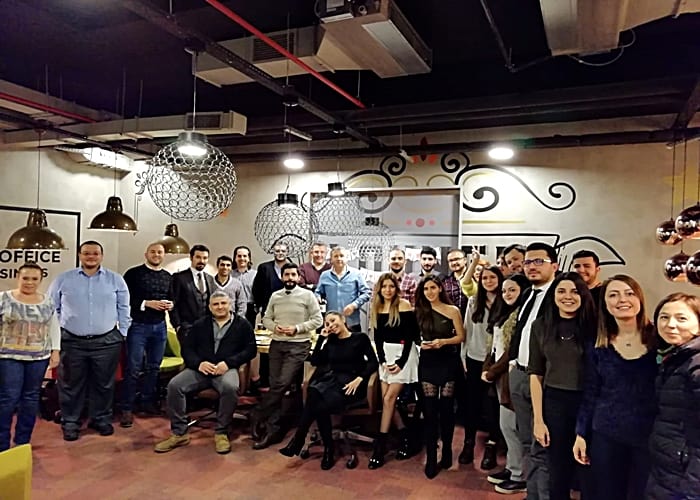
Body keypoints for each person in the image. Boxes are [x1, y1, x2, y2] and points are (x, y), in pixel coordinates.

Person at [573, 275, 657, 500]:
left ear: (639, 299)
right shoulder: (598, 345)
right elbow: (591, 392)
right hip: (607, 435)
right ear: (605, 304)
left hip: (649, 437)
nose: (622, 300)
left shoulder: (659, 340)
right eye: (613, 295)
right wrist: (581, 434)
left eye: (629, 293)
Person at [155, 291, 256, 455]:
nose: (220, 307)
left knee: (230, 387)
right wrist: (199, 363)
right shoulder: (200, 324)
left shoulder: (242, 325)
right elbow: (187, 349)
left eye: (223, 303)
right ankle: (179, 433)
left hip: (225, 369)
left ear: (230, 305)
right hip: (201, 369)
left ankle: (222, 432)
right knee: (174, 385)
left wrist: (228, 363)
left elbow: (250, 350)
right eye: (216, 304)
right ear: (210, 307)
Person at [48, 241, 131, 441]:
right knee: (70, 385)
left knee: (104, 384)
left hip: (106, 341)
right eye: (86, 253)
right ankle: (70, 422)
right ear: (79, 255)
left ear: (101, 256)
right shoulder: (63, 279)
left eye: (95, 253)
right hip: (71, 341)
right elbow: (52, 308)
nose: (91, 257)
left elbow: (124, 307)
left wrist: (122, 332)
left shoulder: (115, 280)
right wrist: (58, 332)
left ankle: (100, 419)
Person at [279, 311, 378, 470]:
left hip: (351, 384)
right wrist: (321, 338)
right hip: (332, 382)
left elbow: (373, 362)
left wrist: (360, 378)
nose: (330, 325)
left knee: (317, 401)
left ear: (343, 319)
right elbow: (315, 361)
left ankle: (306, 442)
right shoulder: (331, 341)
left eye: (333, 320)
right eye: (327, 323)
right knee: (314, 394)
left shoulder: (360, 338)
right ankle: (325, 447)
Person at [529, 272, 596, 500]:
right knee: (558, 471)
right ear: (553, 295)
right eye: (561, 291)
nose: (568, 297)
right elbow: (536, 374)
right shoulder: (540, 326)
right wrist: (539, 420)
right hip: (554, 403)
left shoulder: (595, 326)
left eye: (575, 291)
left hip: (589, 402)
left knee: (588, 468)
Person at [251, 263, 323, 450]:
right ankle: (272, 429)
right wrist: (275, 328)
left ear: (298, 277)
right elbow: (266, 318)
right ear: (282, 277)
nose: (290, 278)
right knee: (276, 385)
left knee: (282, 383)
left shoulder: (307, 295)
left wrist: (297, 328)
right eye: (286, 275)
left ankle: (258, 414)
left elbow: (318, 320)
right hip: (277, 344)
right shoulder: (275, 296)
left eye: (293, 275)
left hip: (299, 345)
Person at [507, 242, 558, 500]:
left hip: (544, 379)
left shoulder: (560, 295)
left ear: (554, 265)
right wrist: (513, 361)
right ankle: (532, 493)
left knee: (544, 445)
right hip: (520, 373)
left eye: (539, 261)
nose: (531, 266)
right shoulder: (529, 293)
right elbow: (520, 330)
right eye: (528, 262)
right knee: (527, 441)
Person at [0, 262, 60, 452]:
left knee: (31, 398)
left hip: (38, 358)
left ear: (40, 280)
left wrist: (55, 350)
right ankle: (2, 444)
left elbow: (53, 327)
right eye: (25, 278)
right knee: (8, 398)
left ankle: (22, 441)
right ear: (17, 278)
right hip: (8, 356)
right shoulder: (3, 299)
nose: (29, 282)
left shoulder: (47, 301)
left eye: (34, 279)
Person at [646, 293, 700, 500]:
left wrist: (692, 490)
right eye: (664, 317)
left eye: (681, 318)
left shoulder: (696, 365)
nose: (670, 324)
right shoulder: (675, 357)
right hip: (667, 469)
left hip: (685, 478)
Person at [482, 273, 531, 494]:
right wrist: (487, 367)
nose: (507, 294)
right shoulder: (503, 313)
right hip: (501, 377)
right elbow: (494, 346)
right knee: (506, 426)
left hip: (512, 375)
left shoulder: (523, 314)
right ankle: (512, 469)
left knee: (513, 427)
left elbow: (512, 350)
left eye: (512, 290)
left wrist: (492, 371)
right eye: (504, 290)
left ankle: (520, 476)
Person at [415, 275, 466, 479]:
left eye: (433, 288)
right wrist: (421, 344)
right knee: (429, 412)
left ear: (440, 289)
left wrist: (443, 342)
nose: (429, 292)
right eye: (426, 288)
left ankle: (447, 450)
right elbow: (413, 337)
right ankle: (430, 456)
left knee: (447, 410)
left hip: (448, 361)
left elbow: (461, 336)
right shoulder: (419, 311)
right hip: (428, 362)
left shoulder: (452, 310)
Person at [367, 273, 420, 469]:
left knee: (389, 399)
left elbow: (411, 336)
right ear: (379, 289)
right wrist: (382, 360)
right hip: (386, 355)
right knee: (386, 400)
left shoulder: (403, 305)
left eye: (391, 286)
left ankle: (379, 446)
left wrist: (401, 362)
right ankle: (406, 436)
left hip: (404, 354)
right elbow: (378, 338)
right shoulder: (377, 307)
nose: (388, 290)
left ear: (396, 288)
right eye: (384, 286)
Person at [121, 243, 173, 427]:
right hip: (138, 326)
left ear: (164, 255)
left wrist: (170, 305)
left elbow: (172, 297)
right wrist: (146, 303)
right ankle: (126, 408)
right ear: (146, 254)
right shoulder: (133, 274)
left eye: (160, 252)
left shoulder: (168, 276)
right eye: (153, 252)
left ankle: (147, 402)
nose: (156, 255)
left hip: (160, 326)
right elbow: (125, 299)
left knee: (154, 368)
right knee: (133, 368)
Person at [460, 265, 504, 469]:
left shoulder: (505, 301)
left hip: (496, 361)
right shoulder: (473, 301)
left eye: (492, 277)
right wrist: (463, 355)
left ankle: (491, 446)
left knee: (494, 404)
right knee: (472, 404)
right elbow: (467, 329)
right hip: (474, 358)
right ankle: (468, 443)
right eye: (485, 278)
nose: (488, 281)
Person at [316, 246, 371, 333]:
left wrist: (354, 305)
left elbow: (367, 293)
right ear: (331, 259)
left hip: (351, 322)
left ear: (347, 258)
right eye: (336, 256)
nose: (339, 259)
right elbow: (318, 292)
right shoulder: (324, 275)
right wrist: (317, 297)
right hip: (331, 324)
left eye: (341, 256)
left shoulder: (356, 274)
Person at [169, 244, 217, 341]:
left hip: (207, 328)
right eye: (198, 257)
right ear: (191, 258)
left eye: (205, 258)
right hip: (186, 328)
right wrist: (177, 325)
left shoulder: (210, 279)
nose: (202, 261)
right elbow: (173, 303)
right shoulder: (179, 277)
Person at [252, 242, 289, 316]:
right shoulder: (264, 268)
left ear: (287, 253)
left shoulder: (292, 268)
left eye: (283, 251)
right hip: (268, 307)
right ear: (273, 252)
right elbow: (257, 288)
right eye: (277, 251)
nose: (280, 253)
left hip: (288, 307)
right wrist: (259, 305)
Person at [231, 245, 257, 326]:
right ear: (235, 258)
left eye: (245, 256)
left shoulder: (255, 275)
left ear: (249, 258)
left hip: (250, 309)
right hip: (233, 308)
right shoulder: (229, 275)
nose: (242, 258)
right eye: (239, 256)